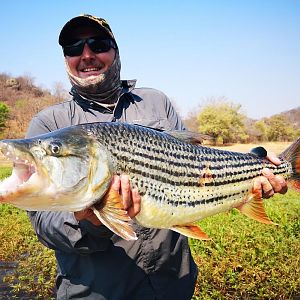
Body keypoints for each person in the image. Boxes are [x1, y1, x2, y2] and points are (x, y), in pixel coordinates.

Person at [26, 14, 287, 300]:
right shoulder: (49, 125)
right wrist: (88, 221)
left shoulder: (156, 101)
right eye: (74, 49)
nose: (86, 55)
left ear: (115, 50)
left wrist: (252, 168)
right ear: (66, 59)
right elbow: (44, 223)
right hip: (97, 292)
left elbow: (198, 166)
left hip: (173, 284)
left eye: (97, 44)